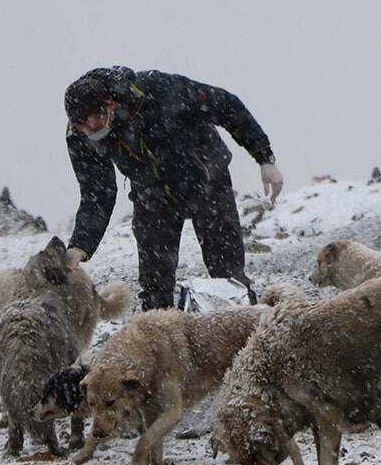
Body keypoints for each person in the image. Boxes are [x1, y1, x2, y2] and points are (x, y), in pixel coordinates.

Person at [63, 66, 283, 310]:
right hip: (151, 194)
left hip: (206, 179)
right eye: (83, 125)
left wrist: (264, 157)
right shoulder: (80, 137)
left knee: (228, 274)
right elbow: (97, 194)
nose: (91, 129)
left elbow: (226, 105)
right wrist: (78, 247)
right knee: (155, 285)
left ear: (110, 103)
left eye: (95, 119)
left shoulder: (160, 90)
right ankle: (160, 342)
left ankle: (246, 331)